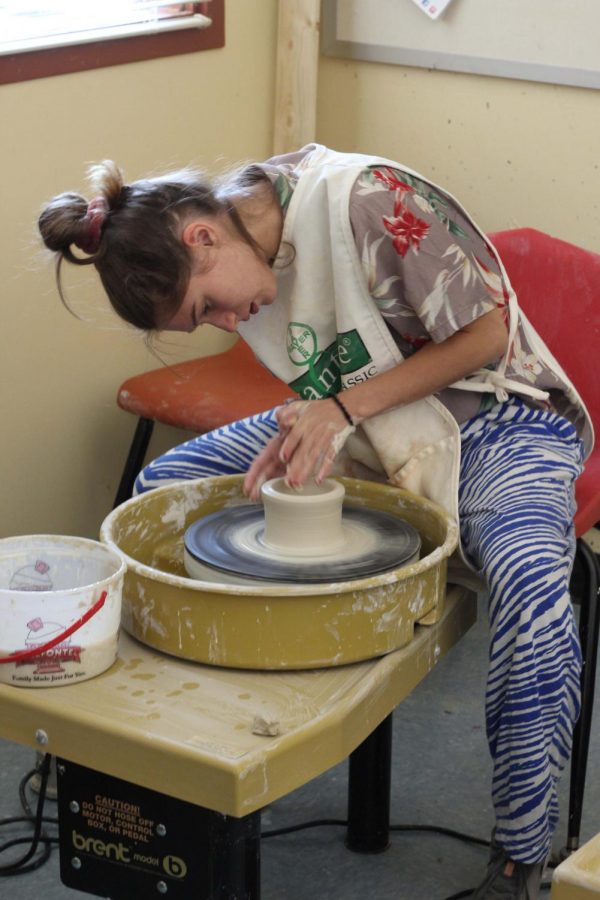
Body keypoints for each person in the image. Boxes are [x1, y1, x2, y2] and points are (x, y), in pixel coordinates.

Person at [39, 144, 593, 899]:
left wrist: (338, 410)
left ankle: (520, 856)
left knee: (533, 592)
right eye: (210, 322)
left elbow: (490, 335)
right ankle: (199, 750)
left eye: (212, 307)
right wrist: (331, 421)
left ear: (202, 237)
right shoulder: (246, 229)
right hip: (364, 423)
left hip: (496, 418)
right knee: (161, 492)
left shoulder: (368, 201)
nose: (233, 323)